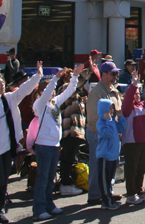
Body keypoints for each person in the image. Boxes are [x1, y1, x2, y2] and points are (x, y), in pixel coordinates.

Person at [0, 61, 43, 223]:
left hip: (8, 148)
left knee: (4, 180)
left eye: (3, 83)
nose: (2, 85)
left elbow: (25, 89)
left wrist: (38, 75)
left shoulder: (10, 99)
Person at [32, 65, 84, 220]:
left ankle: (49, 204)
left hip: (54, 145)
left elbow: (69, 91)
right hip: (44, 145)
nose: (54, 92)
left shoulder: (54, 103)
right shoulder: (39, 105)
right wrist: (54, 79)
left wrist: (74, 76)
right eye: (50, 90)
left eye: (54, 90)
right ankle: (39, 208)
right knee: (42, 177)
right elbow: (47, 93)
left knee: (50, 178)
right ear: (42, 92)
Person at [85, 61, 123, 205]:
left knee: (112, 164)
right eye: (112, 73)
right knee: (98, 165)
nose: (115, 76)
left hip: (112, 134)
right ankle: (95, 194)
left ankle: (108, 191)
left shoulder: (113, 89)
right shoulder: (97, 92)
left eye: (116, 73)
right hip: (99, 134)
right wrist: (108, 131)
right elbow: (94, 117)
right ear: (103, 74)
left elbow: (118, 111)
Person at [121, 71, 145, 204]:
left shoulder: (144, 106)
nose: (137, 95)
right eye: (135, 94)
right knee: (132, 169)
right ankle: (131, 194)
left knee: (141, 168)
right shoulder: (127, 109)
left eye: (139, 93)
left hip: (143, 142)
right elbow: (127, 100)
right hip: (131, 143)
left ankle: (139, 190)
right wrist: (134, 85)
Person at [59, 66, 91, 196]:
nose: (75, 77)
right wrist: (88, 71)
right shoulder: (65, 88)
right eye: (72, 75)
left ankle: (71, 181)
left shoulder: (75, 93)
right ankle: (66, 184)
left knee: (73, 157)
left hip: (76, 131)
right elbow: (77, 84)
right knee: (68, 158)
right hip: (69, 130)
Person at [96, 98, 126, 210]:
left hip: (113, 155)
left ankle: (110, 198)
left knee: (110, 179)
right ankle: (107, 202)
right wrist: (108, 120)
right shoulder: (101, 123)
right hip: (104, 155)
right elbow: (107, 134)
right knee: (104, 181)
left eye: (112, 108)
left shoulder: (112, 121)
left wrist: (121, 117)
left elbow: (122, 128)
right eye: (109, 109)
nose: (111, 111)